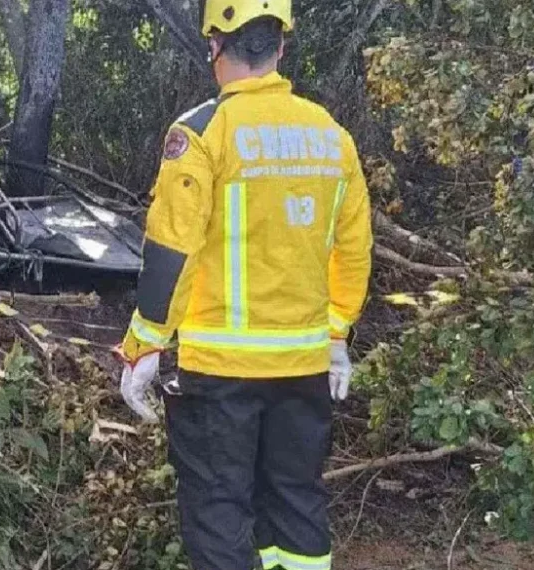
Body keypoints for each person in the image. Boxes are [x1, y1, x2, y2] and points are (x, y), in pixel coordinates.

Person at [113, 1, 374, 569]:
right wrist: (335, 336)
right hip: (305, 367)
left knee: (218, 511)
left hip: (220, 374)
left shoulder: (203, 132)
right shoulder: (333, 137)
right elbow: (353, 250)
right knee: (297, 505)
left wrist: (146, 344)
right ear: (281, 46)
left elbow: (173, 248)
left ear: (214, 47)